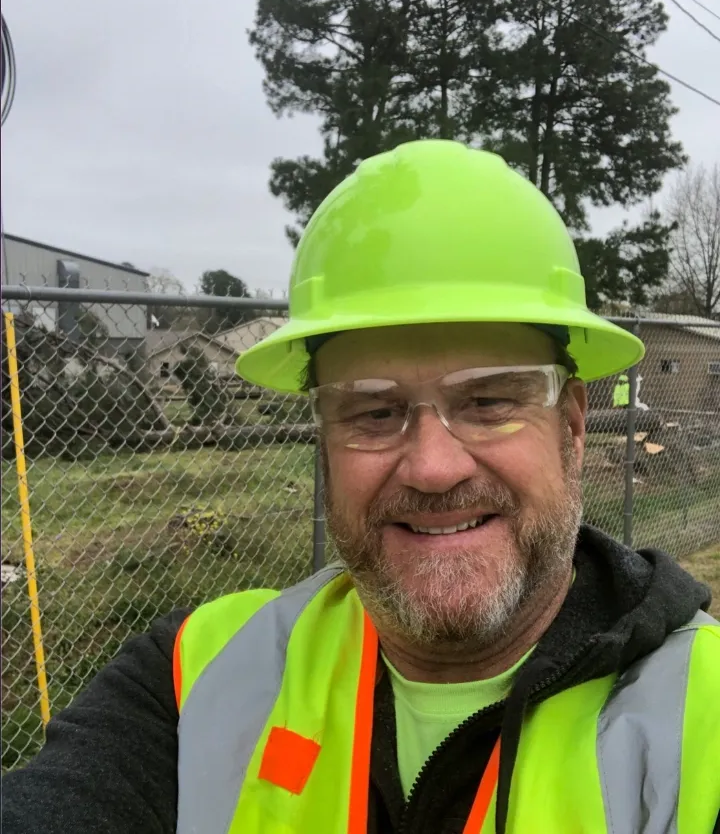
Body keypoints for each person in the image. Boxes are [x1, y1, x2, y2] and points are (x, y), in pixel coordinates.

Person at [3, 141, 719, 834]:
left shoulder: (702, 716)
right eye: (374, 412)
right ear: (324, 440)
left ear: (570, 425)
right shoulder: (198, 676)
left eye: (490, 402)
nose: (434, 467)